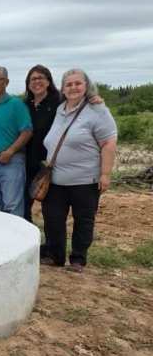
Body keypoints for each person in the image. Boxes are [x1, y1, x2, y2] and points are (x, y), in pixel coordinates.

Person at [41, 69, 117, 273]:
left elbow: (109, 143)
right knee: (53, 219)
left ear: (86, 86)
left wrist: (105, 174)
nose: (73, 87)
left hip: (85, 180)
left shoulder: (97, 110)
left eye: (78, 83)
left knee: (83, 220)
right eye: (68, 84)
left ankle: (77, 259)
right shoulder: (60, 109)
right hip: (55, 179)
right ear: (62, 89)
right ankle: (55, 255)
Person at [0, 66, 33, 217]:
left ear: (6, 82)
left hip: (11, 163)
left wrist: (10, 151)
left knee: (12, 207)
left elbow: (27, 131)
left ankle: (16, 234)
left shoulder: (16, 104)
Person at [23, 65, 62, 221]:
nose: (36, 82)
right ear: (28, 83)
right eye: (33, 79)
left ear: (48, 81)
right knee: (23, 205)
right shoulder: (24, 105)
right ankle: (27, 234)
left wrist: (93, 99)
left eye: (40, 78)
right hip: (27, 162)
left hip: (49, 164)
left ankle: (51, 237)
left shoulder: (59, 102)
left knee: (51, 209)